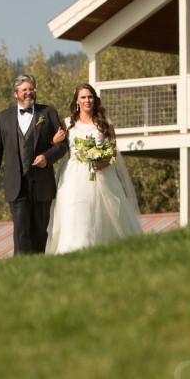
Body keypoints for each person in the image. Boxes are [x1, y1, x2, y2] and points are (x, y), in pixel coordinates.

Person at [45, 83, 143, 254]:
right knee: (73, 210)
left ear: (95, 100)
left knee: (98, 214)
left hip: (99, 175)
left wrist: (102, 162)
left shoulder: (105, 124)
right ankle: (70, 250)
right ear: (77, 101)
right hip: (72, 176)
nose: (87, 100)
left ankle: (99, 250)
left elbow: (113, 154)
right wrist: (54, 140)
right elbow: (57, 148)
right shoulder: (67, 124)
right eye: (83, 97)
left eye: (90, 97)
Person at [0, 74, 68, 254]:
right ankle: (21, 269)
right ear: (16, 94)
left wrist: (47, 158)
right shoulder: (2, 118)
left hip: (42, 183)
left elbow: (63, 145)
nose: (29, 93)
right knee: (21, 232)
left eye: (31, 89)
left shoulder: (48, 112)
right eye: (24, 90)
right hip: (16, 184)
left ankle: (39, 268)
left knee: (40, 231)